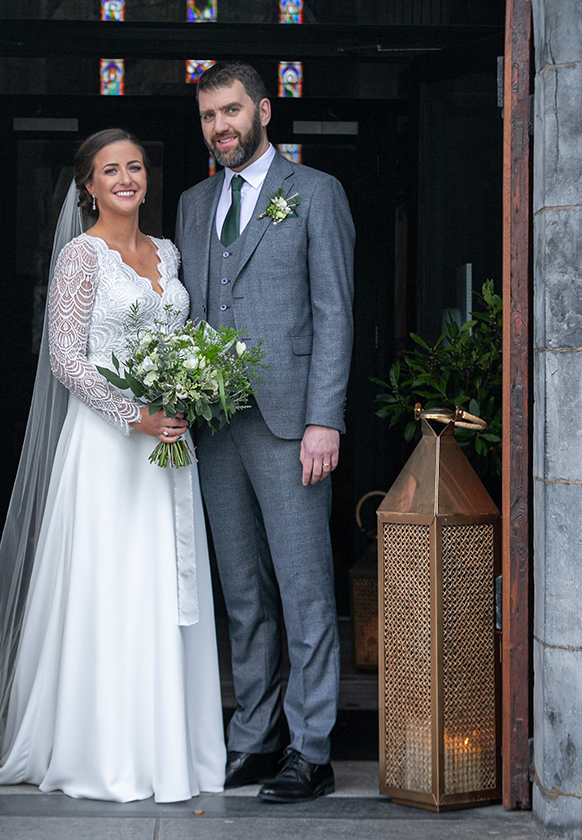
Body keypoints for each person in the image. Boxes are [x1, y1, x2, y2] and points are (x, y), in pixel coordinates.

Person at [0, 128, 226, 803]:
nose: (128, 178)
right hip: (107, 447)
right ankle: (100, 750)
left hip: (168, 447)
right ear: (89, 185)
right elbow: (66, 358)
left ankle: (168, 751)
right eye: (113, 170)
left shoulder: (167, 251)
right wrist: (134, 415)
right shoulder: (82, 256)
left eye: (136, 166)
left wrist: (188, 389)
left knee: (161, 588)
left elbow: (179, 341)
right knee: (110, 588)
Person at [175, 62, 354, 804]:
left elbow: (335, 312)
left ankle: (311, 748)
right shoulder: (190, 203)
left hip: (290, 428)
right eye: (210, 115)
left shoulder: (315, 194)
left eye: (232, 111)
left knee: (304, 589)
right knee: (243, 593)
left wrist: (324, 420)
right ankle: (255, 738)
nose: (221, 126)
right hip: (215, 429)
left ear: (264, 111)